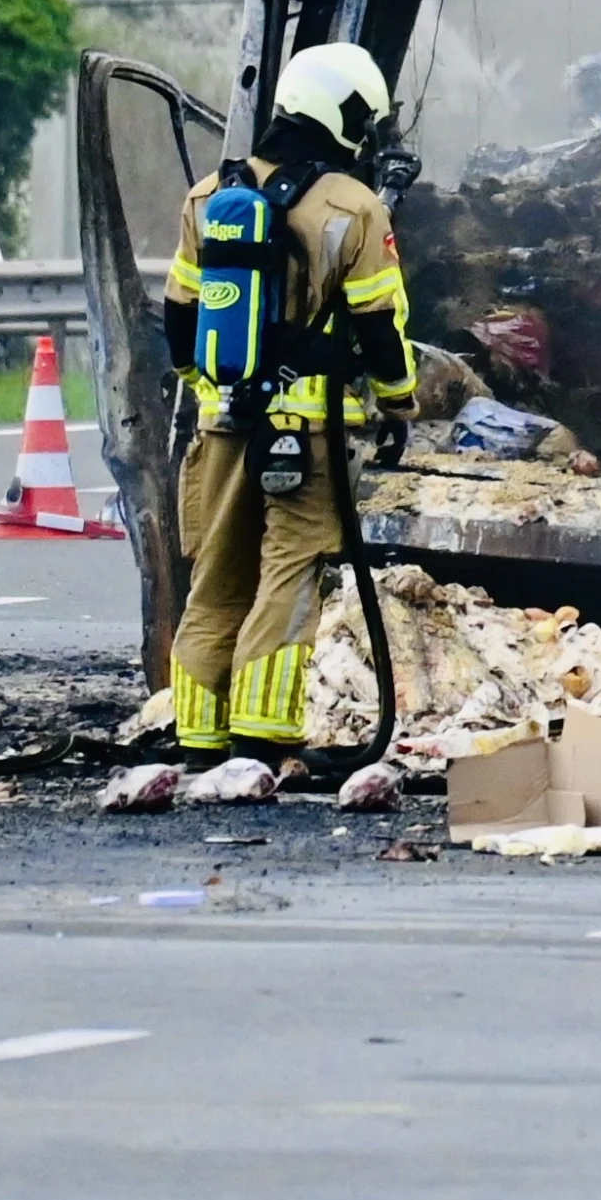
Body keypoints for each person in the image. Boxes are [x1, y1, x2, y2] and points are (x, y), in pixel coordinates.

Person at [158, 40, 418, 771]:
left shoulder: (209, 195)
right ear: (341, 114)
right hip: (304, 437)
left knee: (216, 577)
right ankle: (264, 734)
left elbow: (178, 318)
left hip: (221, 427)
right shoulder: (352, 206)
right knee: (290, 572)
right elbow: (379, 323)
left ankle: (198, 738)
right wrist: (400, 404)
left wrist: (212, 389)